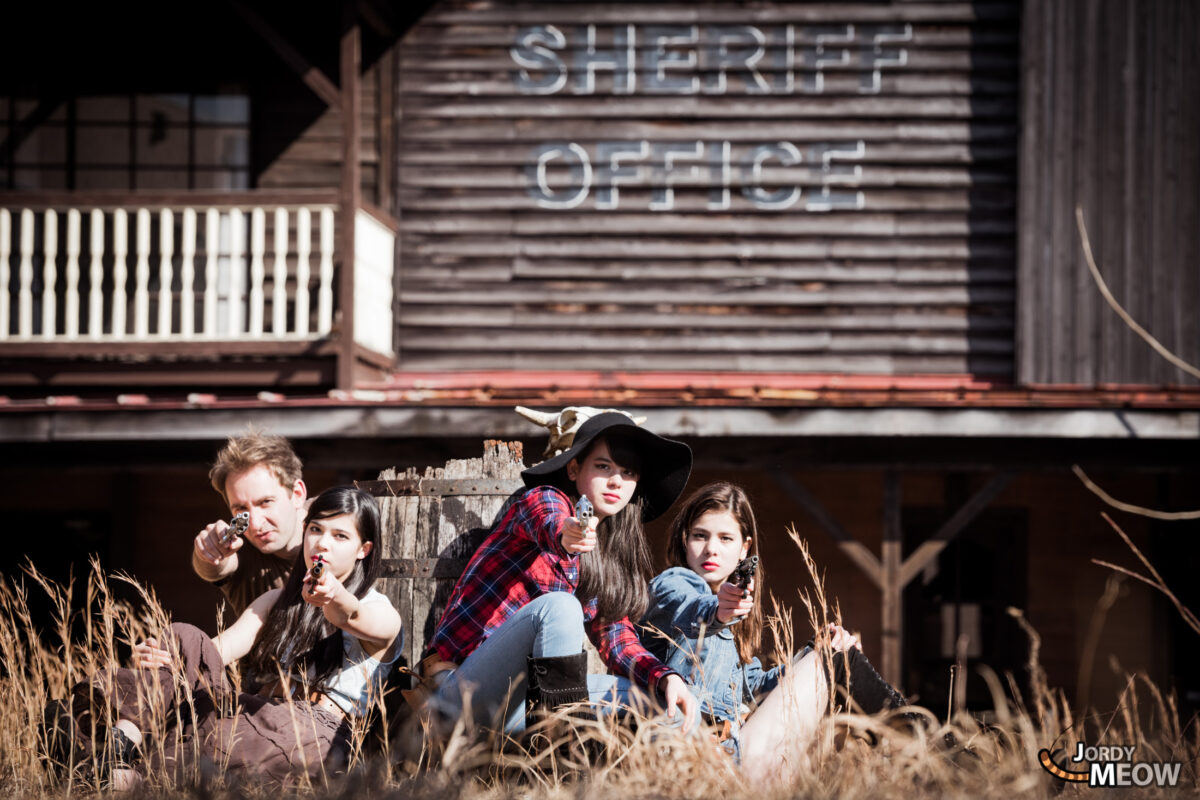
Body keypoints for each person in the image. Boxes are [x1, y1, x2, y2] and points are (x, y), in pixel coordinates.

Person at [53, 486, 402, 787]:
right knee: (186, 636)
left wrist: (334, 597)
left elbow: (351, 615)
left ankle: (113, 776)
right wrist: (164, 659)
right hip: (257, 710)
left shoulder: (380, 610)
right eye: (315, 529)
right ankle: (122, 739)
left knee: (218, 744)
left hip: (314, 736)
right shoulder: (278, 601)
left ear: (363, 550)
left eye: (340, 536)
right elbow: (212, 653)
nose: (322, 543)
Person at [422, 412, 700, 736]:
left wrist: (666, 677)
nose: (616, 481)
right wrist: (567, 534)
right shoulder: (544, 499)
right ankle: (555, 758)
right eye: (603, 466)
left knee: (662, 703)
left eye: (628, 472)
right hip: (460, 694)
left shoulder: (607, 559)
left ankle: (705, 770)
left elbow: (618, 640)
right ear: (573, 468)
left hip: (525, 707)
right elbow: (548, 519)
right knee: (561, 606)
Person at [640, 481, 907, 777]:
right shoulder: (674, 582)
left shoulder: (736, 618)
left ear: (745, 548)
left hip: (733, 753)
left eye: (725, 538)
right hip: (703, 761)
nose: (711, 549)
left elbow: (752, 686)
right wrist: (718, 611)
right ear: (684, 540)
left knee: (838, 654)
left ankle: (925, 751)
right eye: (699, 536)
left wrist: (809, 654)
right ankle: (934, 749)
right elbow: (689, 607)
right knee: (839, 661)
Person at [193, 431, 308, 615]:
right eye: (240, 509)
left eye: (265, 502)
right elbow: (214, 568)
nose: (254, 524)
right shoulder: (239, 548)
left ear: (297, 495)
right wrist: (209, 551)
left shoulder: (339, 520)